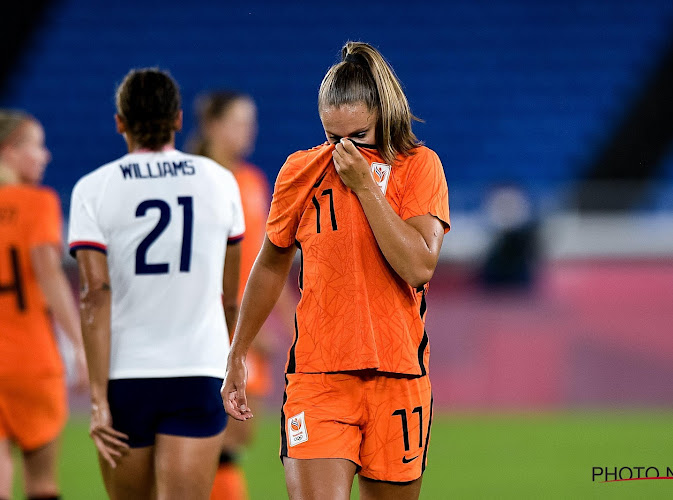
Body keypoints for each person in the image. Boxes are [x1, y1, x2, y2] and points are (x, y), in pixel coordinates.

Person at [222, 41, 451, 500]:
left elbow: (419, 266)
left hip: (399, 378)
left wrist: (366, 188)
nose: (345, 152)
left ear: (383, 115)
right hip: (319, 378)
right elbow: (269, 264)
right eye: (333, 138)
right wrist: (238, 351)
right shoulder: (300, 172)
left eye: (359, 137)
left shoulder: (419, 168)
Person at [68, 68, 244, 499]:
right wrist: (235, 360)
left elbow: (95, 297)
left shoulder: (92, 189)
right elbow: (230, 296)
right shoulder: (220, 181)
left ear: (120, 122)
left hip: (127, 375)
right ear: (179, 119)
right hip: (199, 368)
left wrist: (96, 400)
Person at [188, 91, 296, 500]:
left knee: (237, 437)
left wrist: (293, 322)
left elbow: (267, 260)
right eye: (238, 121)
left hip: (245, 324)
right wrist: (240, 331)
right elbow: (201, 266)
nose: (248, 130)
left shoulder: (251, 181)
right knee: (220, 440)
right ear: (213, 125)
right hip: (213, 326)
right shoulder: (198, 181)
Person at [0, 110, 87, 500]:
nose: (45, 155)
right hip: (31, 361)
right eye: (36, 145)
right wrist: (80, 345)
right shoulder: (37, 203)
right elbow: (49, 275)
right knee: (42, 485)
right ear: (10, 152)